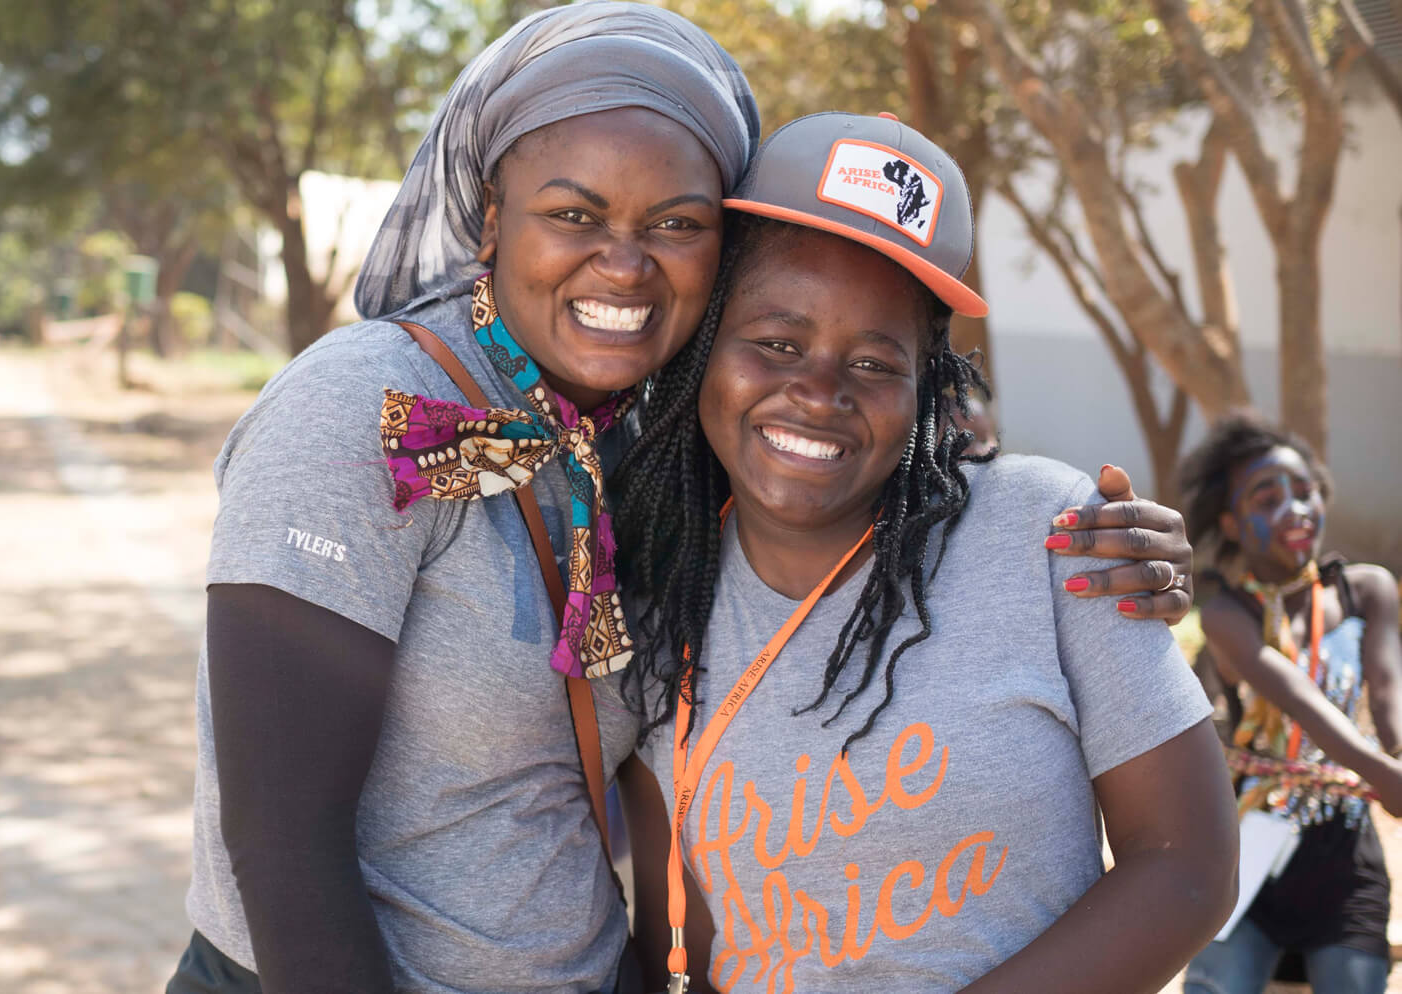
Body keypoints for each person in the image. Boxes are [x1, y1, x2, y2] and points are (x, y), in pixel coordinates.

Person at [165, 6, 1200, 990]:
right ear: (491, 217)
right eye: (575, 213)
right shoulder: (365, 409)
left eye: (675, 222)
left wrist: (1110, 549)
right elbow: (281, 833)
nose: (623, 262)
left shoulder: (658, 448)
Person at [613, 111, 1238, 994]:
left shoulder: (1049, 532)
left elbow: (1186, 866)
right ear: (705, 346)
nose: (819, 392)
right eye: (777, 343)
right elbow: (681, 944)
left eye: (873, 361)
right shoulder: (662, 600)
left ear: (927, 381)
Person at [1179, 413, 1402, 994]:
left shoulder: (1369, 590)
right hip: (1245, 858)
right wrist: (1382, 773)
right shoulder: (1229, 615)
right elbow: (1297, 699)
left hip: (1346, 860)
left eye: (1305, 492)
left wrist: (1397, 759)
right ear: (1229, 522)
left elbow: (1388, 699)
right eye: (1267, 496)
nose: (1295, 507)